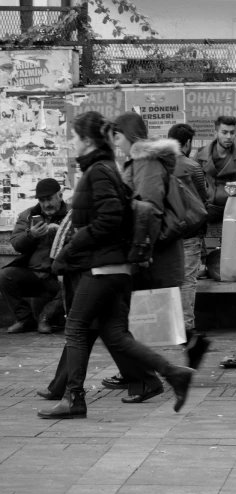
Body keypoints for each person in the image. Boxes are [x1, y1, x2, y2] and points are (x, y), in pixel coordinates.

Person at [37, 111, 193, 419]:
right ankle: (173, 373)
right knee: (117, 336)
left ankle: (74, 397)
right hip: (115, 269)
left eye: (74, 137)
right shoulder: (109, 168)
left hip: (103, 269)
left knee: (77, 327)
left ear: (87, 140)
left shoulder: (99, 171)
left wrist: (70, 250)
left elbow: (109, 221)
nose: (72, 142)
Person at [100, 111, 185, 404]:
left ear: (129, 136)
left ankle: (145, 377)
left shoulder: (145, 161)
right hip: (142, 251)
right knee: (127, 318)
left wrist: (140, 252)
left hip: (148, 253)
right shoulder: (137, 161)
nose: (115, 143)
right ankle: (136, 373)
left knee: (129, 318)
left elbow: (149, 210)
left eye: (118, 136)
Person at [167, 123, 211, 368]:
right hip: (190, 234)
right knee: (187, 282)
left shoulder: (159, 165)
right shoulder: (193, 167)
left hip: (166, 236)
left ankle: (179, 332)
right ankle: (187, 330)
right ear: (187, 143)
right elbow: (203, 201)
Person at [0, 178, 69, 334]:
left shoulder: (72, 214)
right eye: (42, 200)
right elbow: (16, 243)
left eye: (49, 199)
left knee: (75, 283)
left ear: (59, 195)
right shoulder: (29, 215)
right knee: (4, 276)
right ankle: (25, 319)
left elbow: (82, 239)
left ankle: (46, 316)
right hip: (33, 273)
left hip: (58, 274)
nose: (46, 204)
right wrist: (31, 235)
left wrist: (62, 233)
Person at [196, 115, 236, 224]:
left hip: (235, 207)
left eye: (232, 133)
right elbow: (192, 183)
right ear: (216, 133)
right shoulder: (201, 155)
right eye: (224, 132)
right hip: (209, 208)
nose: (229, 137)